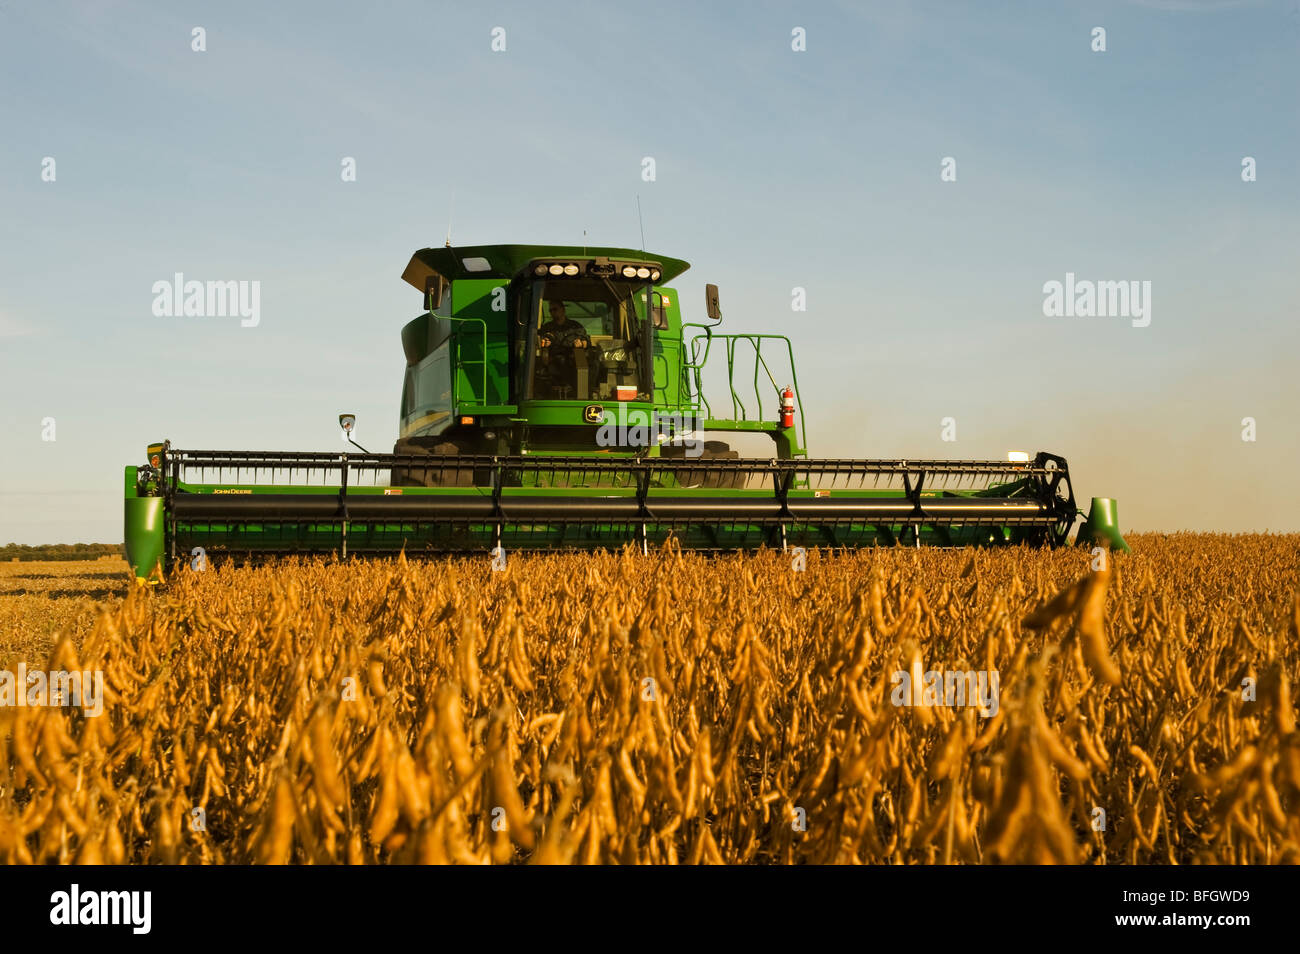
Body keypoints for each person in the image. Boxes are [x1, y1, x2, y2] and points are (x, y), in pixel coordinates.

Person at [537, 301, 591, 397]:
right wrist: (545, 343)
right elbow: (542, 339)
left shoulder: (575, 326)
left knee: (592, 363)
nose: (552, 312)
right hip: (555, 359)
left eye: (555, 309)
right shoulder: (547, 327)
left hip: (574, 357)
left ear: (563, 310)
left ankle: (588, 393)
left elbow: (586, 341)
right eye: (550, 310)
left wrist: (581, 343)